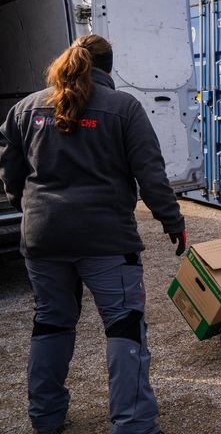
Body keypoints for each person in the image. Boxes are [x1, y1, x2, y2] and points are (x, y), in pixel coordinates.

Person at [0, 35, 186, 434]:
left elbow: (11, 177)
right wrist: (174, 223)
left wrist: (30, 209)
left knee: (51, 321)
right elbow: (151, 177)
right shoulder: (123, 109)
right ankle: (133, 424)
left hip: (43, 238)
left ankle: (45, 418)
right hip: (106, 241)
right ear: (109, 66)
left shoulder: (26, 109)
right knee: (123, 323)